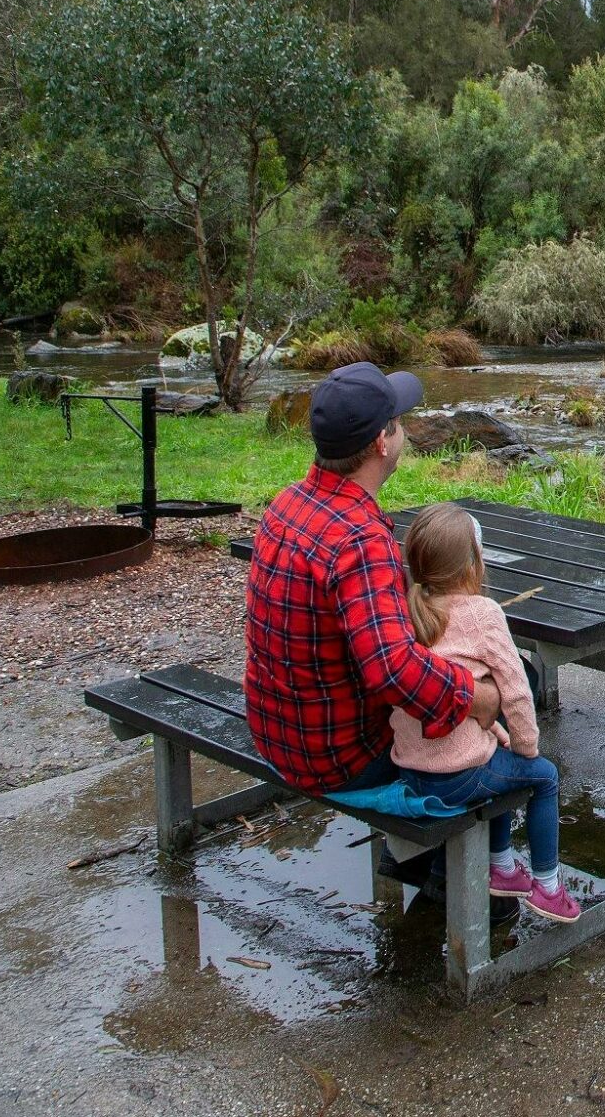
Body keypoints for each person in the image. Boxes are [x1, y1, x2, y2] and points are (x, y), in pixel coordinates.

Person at [243, 362, 503, 798]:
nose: (402, 434)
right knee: (516, 683)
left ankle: (415, 859)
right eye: (398, 424)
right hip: (339, 758)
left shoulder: (285, 504)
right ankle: (435, 860)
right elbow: (393, 670)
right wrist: (482, 700)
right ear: (382, 442)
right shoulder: (359, 539)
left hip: (278, 735)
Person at [393, 503, 580, 924]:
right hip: (455, 777)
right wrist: (528, 748)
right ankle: (547, 886)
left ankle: (501, 865)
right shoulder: (483, 614)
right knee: (542, 777)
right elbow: (516, 692)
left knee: (496, 751)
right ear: (474, 563)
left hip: (408, 768)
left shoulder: (403, 612)